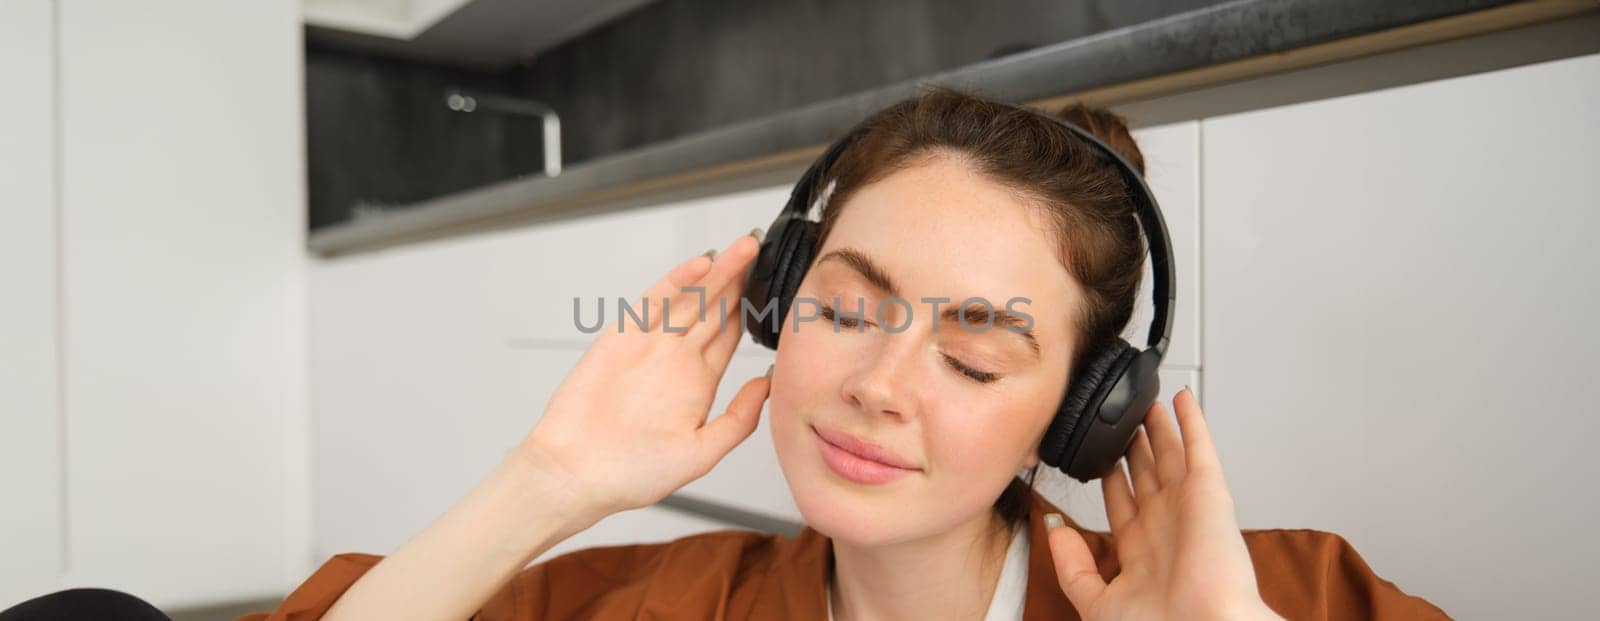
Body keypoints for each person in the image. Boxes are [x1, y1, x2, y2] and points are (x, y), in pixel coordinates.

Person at [240, 88, 1446, 620]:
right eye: (844, 309)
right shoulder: (655, 606)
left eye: (973, 362)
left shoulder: (1274, 599)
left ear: (1082, 411)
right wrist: (548, 478)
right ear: (776, 297)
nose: (877, 387)